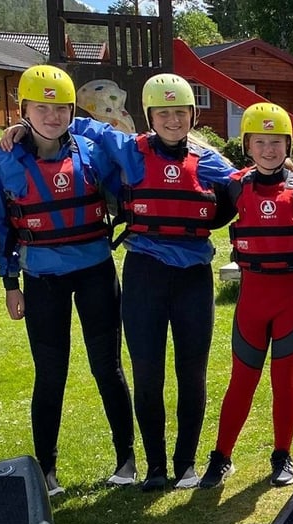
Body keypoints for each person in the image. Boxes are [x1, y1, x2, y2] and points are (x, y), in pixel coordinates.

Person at [69, 75, 237, 491]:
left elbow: (245, 181)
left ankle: (186, 465)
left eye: (181, 112)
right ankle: (156, 467)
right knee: (147, 373)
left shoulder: (207, 160)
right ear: (149, 116)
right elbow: (70, 125)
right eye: (164, 113)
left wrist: (286, 169)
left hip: (193, 277)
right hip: (145, 272)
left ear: (192, 116)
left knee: (191, 372)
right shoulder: (130, 149)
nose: (173, 120)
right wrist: (19, 131)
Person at [0, 65, 134, 495]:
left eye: (61, 107)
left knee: (108, 367)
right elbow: (0, 225)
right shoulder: (1, 162)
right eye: (41, 107)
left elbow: (129, 175)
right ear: (23, 108)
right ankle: (47, 472)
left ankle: (126, 461)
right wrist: (10, 284)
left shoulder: (93, 150)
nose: (52, 115)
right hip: (42, 277)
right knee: (50, 373)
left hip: (95, 272)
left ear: (72, 110)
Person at [199, 103, 293, 489]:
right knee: (241, 380)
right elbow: (203, 220)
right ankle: (221, 456)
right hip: (252, 301)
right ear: (248, 145)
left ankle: (282, 455)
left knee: (284, 380)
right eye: (260, 142)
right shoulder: (235, 187)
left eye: (276, 142)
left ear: (288, 144)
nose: (269, 149)